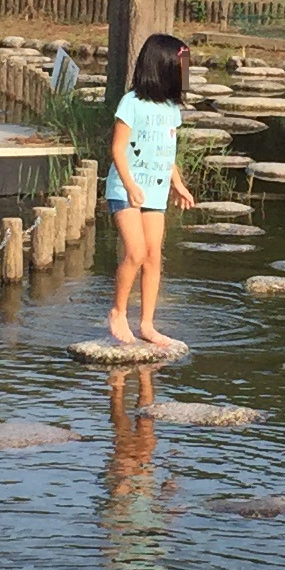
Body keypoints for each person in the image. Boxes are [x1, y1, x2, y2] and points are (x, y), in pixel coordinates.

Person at [104, 30, 189, 351]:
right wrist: (129, 185)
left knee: (154, 257)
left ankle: (147, 325)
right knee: (135, 253)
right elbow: (117, 149)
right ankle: (118, 311)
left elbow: (167, 154)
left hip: (155, 192)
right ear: (162, 67)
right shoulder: (131, 103)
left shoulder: (171, 109)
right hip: (126, 189)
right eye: (182, 67)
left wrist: (178, 184)